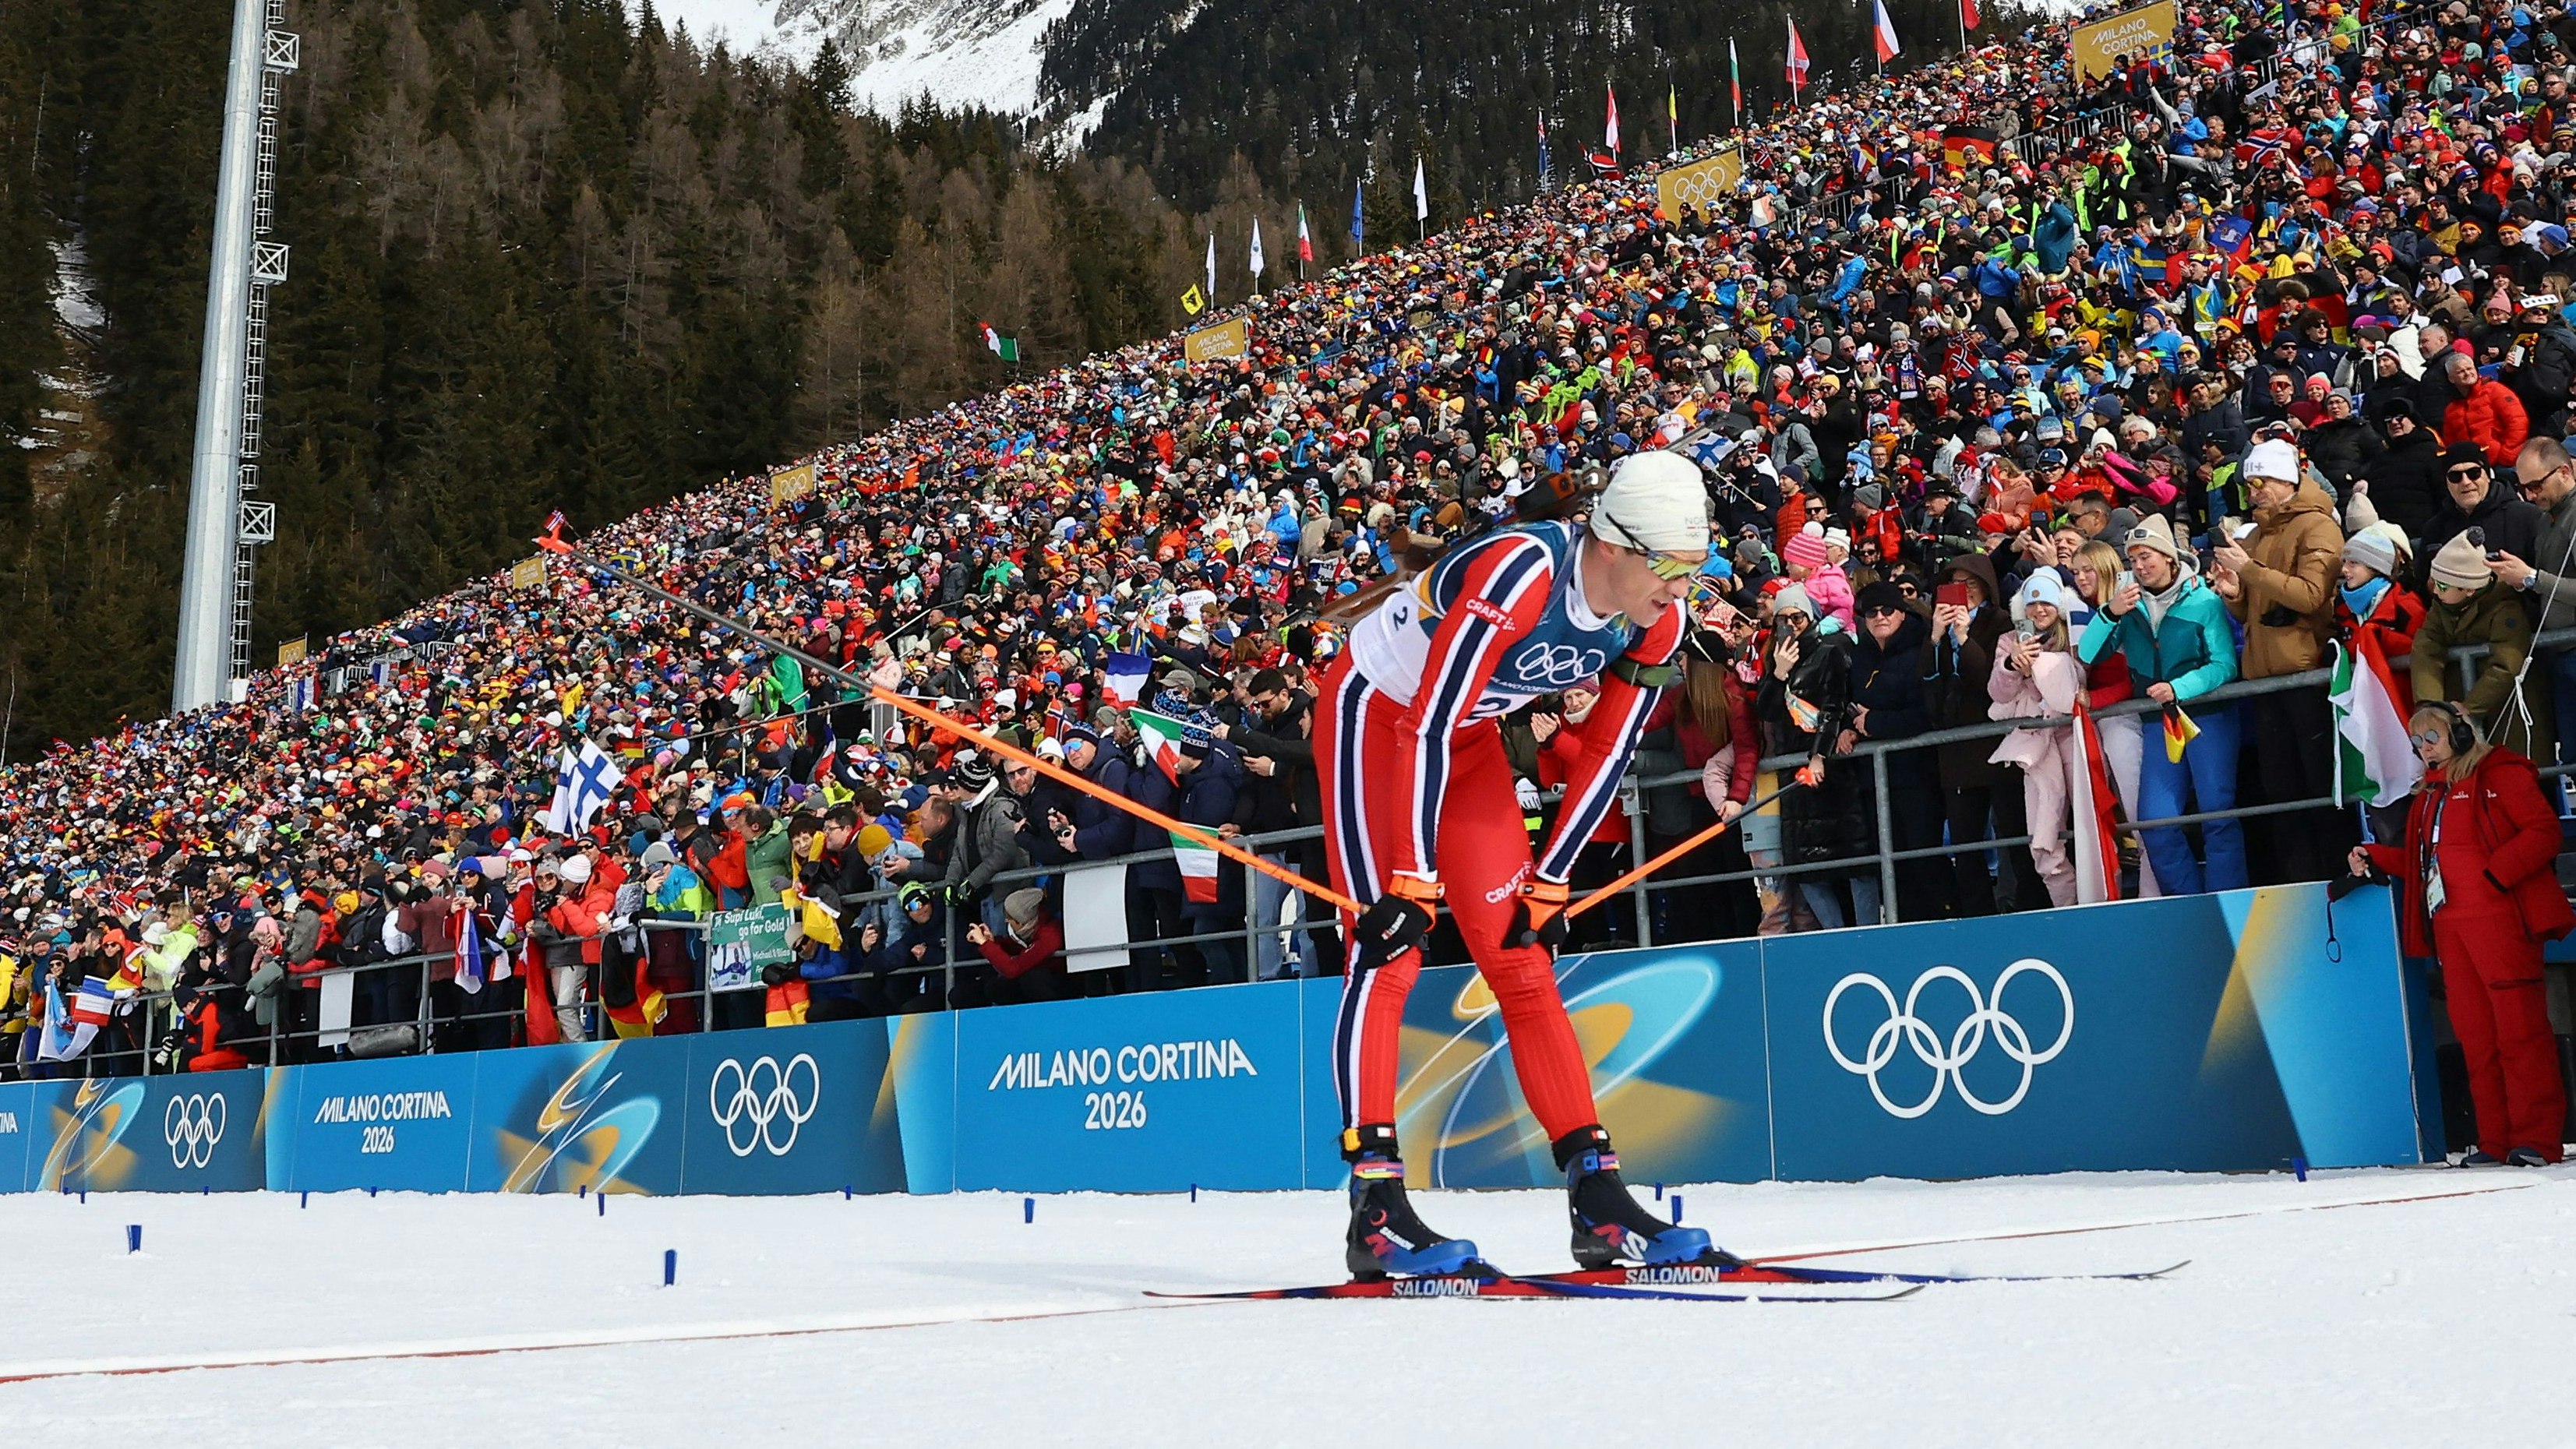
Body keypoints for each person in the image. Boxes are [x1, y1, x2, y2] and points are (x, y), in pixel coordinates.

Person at [1314, 450, 1720, 1278]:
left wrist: (1552, 877)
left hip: (1458, 741)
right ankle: (1377, 1208)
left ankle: (1600, 1202)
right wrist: (1411, 877)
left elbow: (1608, 750)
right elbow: (1421, 722)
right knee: (1390, 948)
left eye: (1695, 568)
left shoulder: (1658, 620)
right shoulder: (1520, 574)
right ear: (1614, 545)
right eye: (1673, 568)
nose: (1684, 588)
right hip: (1378, 719)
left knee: (1522, 960)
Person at [2352, 702, 2570, 1165]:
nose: (2423, 749)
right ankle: (2494, 1140)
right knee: (2476, 1038)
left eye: (2431, 737)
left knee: (2520, 1035)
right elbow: (2418, 861)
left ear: (2462, 734)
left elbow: (2543, 831)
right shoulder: (2430, 793)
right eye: (2416, 742)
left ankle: (2538, 1140)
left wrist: (2495, 877)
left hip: (2501, 924)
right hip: (2451, 930)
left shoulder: (2502, 773)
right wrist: (2373, 856)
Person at [2080, 515, 2246, 895]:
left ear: (2169, 557)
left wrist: (2179, 687)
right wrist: (2110, 613)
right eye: (2133, 559)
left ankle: (2226, 899)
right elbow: (2089, 653)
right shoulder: (2127, 602)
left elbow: (2225, 664)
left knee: (2217, 815)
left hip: (2208, 717)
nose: (2139, 566)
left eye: (2147, 557)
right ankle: (2185, 902)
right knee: (2155, 822)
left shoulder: (2204, 600)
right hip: (2159, 722)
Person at [2207, 438, 2346, 883]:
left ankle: (2338, 876)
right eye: (2250, 483)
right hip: (2264, 679)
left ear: (2286, 480)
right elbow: (2255, 605)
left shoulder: (2319, 528)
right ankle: (2299, 887)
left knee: (2319, 789)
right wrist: (2234, 595)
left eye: (2261, 481)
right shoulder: (2262, 532)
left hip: (2306, 676)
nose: (2254, 491)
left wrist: (2247, 572)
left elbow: (2310, 596)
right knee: (2282, 794)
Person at [1988, 570, 2087, 907]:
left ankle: (2099, 903)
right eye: (2032, 603)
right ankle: (2066, 907)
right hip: (2036, 744)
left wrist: (2043, 664)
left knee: (2088, 823)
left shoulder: (2074, 632)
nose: (2039, 610)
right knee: (2043, 836)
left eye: (2046, 601)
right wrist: (2011, 665)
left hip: (2075, 736)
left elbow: (2075, 688)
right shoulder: (2009, 640)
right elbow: (1998, 694)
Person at [2413, 534, 2554, 762]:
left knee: (2514, 772)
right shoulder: (2442, 607)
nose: (2436, 592)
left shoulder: (2504, 609)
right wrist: (2431, 706)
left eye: (2442, 585)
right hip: (2464, 706)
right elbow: (2426, 648)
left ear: (2468, 589)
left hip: (2510, 709)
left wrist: (2469, 708)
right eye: (2434, 583)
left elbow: (2507, 664)